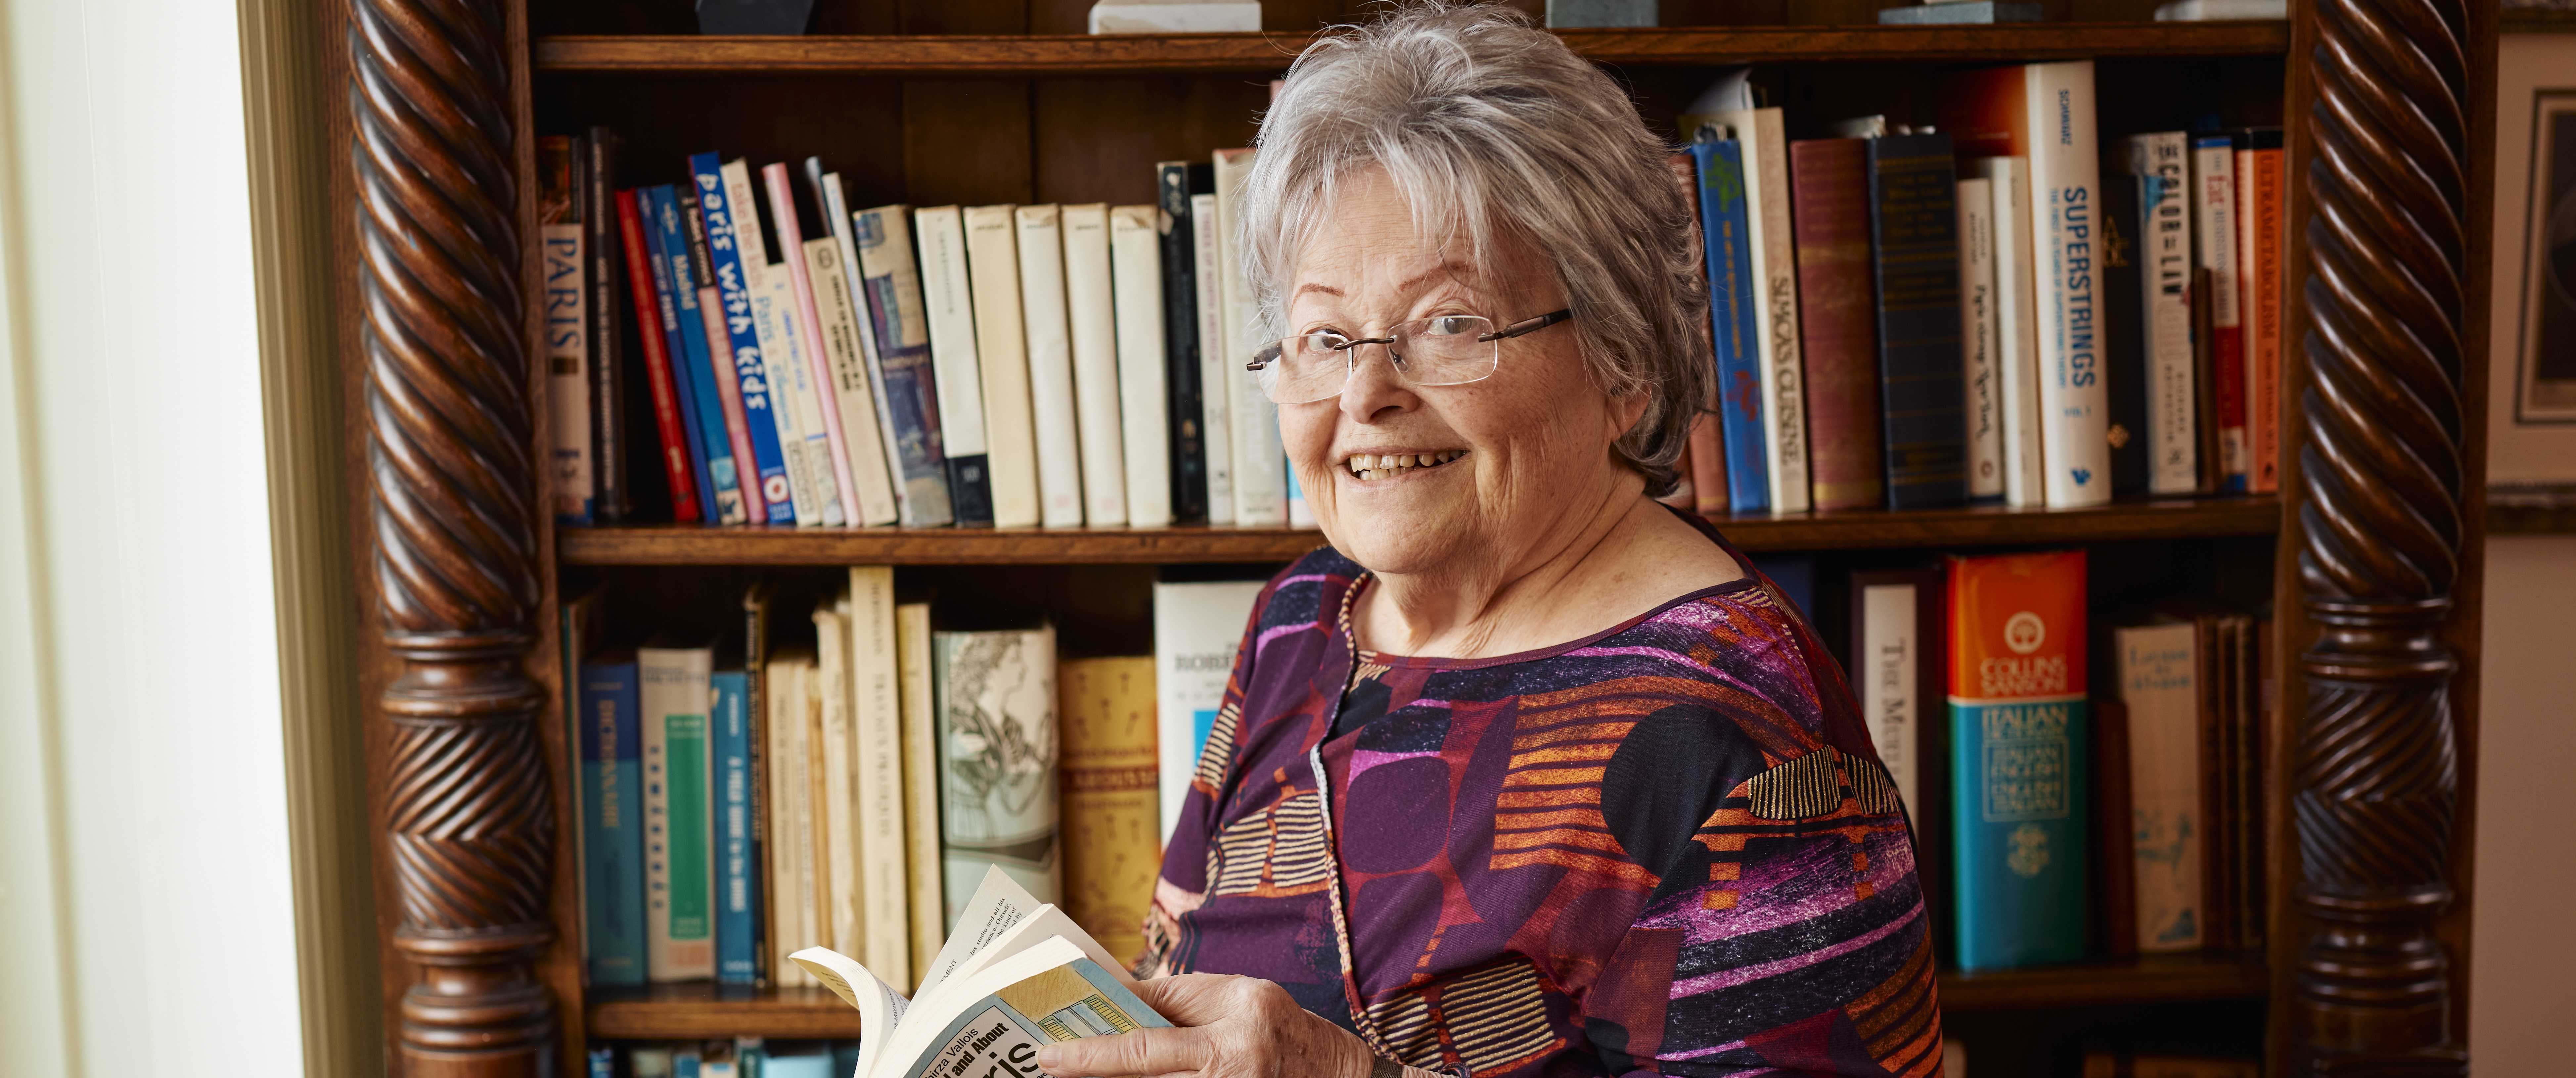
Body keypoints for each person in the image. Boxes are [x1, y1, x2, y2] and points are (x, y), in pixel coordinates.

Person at [1036, 5, 1941, 1078]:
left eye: (1449, 325)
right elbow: (1178, 974)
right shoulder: (1304, 617)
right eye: (1325, 337)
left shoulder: (1738, 741)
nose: (1367, 394)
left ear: (1623, 363)